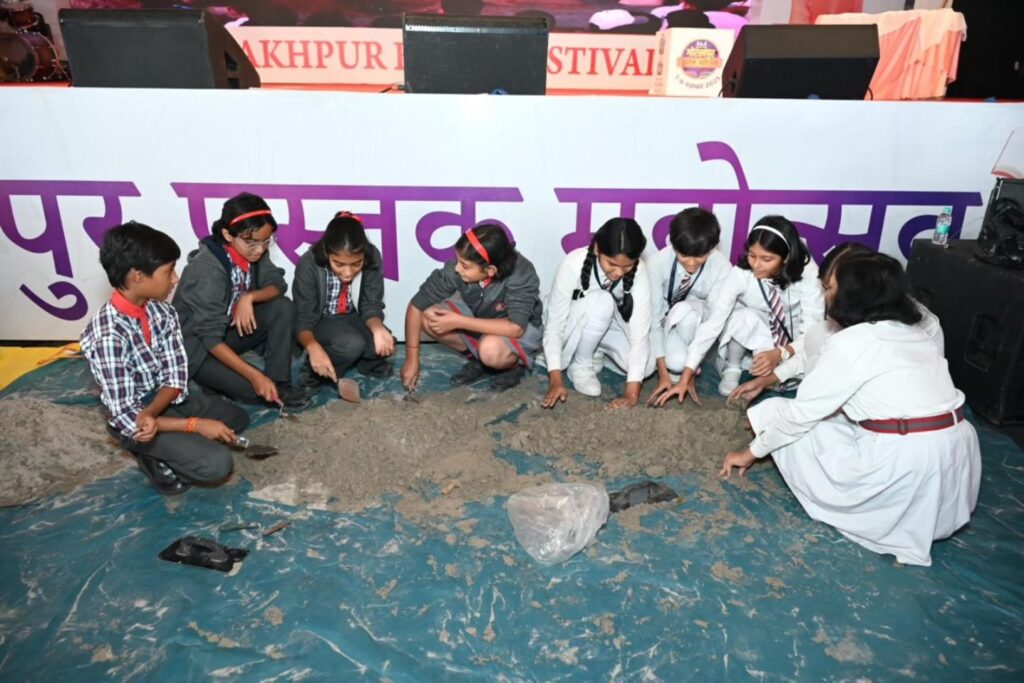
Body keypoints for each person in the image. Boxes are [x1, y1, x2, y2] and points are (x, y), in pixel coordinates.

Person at [720, 253, 981, 567]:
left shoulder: (852, 342)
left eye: (831, 288)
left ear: (852, 295)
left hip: (906, 464)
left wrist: (750, 452)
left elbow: (800, 415)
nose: (828, 295)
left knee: (779, 413)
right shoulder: (916, 333)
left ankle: (874, 513)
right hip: (957, 457)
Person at [81, 222, 248, 495]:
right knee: (217, 464)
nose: (175, 280)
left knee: (236, 419)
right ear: (137, 276)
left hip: (161, 402)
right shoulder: (107, 337)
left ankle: (171, 438)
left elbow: (174, 375)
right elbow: (128, 417)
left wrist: (155, 412)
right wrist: (193, 425)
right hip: (133, 421)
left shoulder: (162, 313)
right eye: (168, 271)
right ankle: (146, 453)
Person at [727, 241, 945, 404]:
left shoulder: (919, 328)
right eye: (824, 287)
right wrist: (769, 379)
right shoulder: (857, 315)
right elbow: (816, 347)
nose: (826, 297)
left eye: (830, 288)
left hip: (896, 407)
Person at [653, 215, 823, 405]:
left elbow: (812, 332)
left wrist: (783, 352)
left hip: (794, 340)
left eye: (767, 259)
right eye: (752, 255)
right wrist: (687, 376)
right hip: (753, 333)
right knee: (744, 316)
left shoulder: (809, 275)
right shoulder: (740, 274)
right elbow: (713, 323)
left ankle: (774, 370)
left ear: (786, 258)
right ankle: (732, 368)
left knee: (811, 367)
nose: (756, 265)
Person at [172, 192, 309, 409]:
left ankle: (280, 381)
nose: (260, 250)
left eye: (266, 242)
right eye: (251, 243)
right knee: (255, 391)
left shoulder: (254, 252)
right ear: (227, 234)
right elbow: (209, 338)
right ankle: (208, 377)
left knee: (282, 306)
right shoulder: (206, 270)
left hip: (227, 334)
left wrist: (249, 297)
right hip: (197, 348)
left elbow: (278, 284)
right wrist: (255, 376)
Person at [401, 224, 543, 392]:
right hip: (479, 321)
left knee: (490, 349)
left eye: (465, 265)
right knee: (428, 316)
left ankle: (512, 366)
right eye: (458, 260)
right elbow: (416, 306)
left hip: (519, 330)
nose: (457, 268)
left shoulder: (521, 272)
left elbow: (516, 328)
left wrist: (459, 321)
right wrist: (411, 358)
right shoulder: (457, 270)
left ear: (490, 270)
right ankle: (479, 360)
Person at [541, 217, 653, 410]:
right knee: (603, 300)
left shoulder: (640, 270)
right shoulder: (572, 264)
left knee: (648, 366)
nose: (618, 273)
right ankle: (582, 363)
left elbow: (640, 331)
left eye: (627, 267)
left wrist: (631, 395)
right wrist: (555, 380)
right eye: (612, 264)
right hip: (572, 321)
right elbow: (554, 325)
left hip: (608, 324)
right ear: (597, 249)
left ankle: (596, 350)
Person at [292, 211, 394, 392]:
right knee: (352, 344)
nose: (348, 272)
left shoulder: (372, 256)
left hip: (352, 316)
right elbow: (304, 317)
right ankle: (314, 370)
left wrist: (377, 327)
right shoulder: (309, 263)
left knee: (385, 340)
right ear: (326, 252)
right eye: (339, 264)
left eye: (356, 264)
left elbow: (371, 304)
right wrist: (312, 346)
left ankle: (365, 362)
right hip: (321, 320)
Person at [644, 208, 731, 407]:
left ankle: (689, 364)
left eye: (700, 256)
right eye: (684, 255)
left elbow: (714, 322)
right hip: (667, 323)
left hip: (698, 323)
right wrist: (663, 375)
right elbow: (654, 316)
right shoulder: (657, 263)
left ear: (712, 248)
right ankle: (680, 364)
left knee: (687, 312)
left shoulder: (722, 267)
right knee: (671, 365)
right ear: (672, 244)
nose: (691, 263)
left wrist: (687, 376)